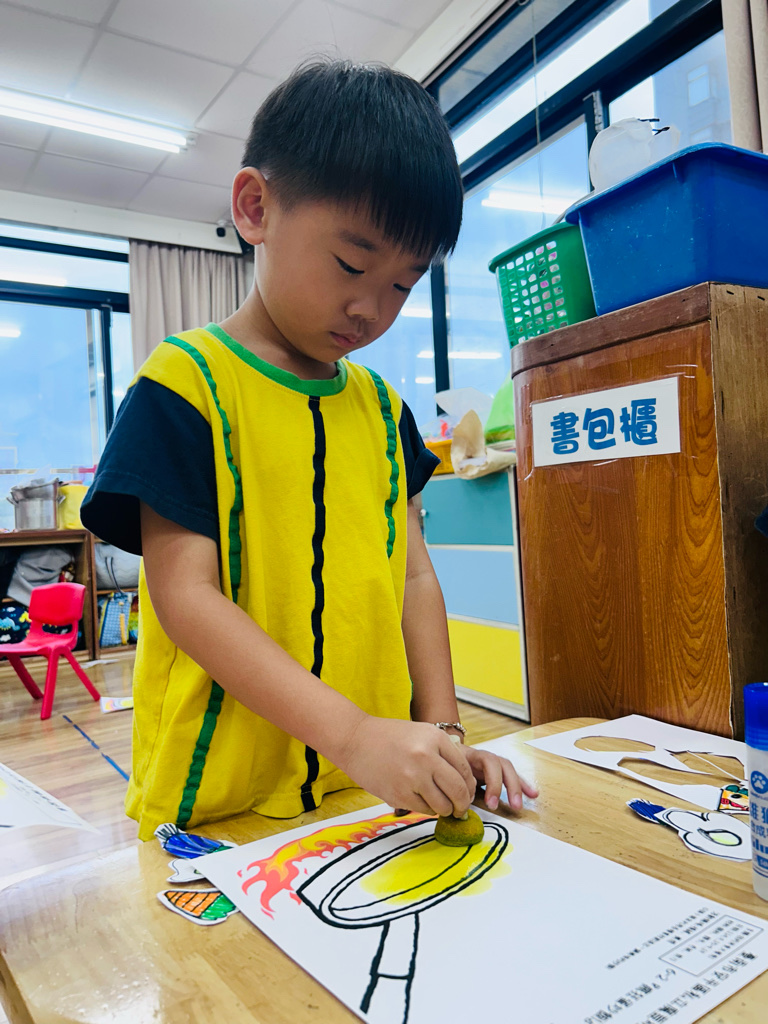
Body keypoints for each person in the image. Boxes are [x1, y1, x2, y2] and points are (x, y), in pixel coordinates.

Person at [81, 60, 538, 841]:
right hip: (220, 799)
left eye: (402, 285)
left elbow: (414, 577)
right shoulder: (185, 386)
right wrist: (353, 734)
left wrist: (442, 735)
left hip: (367, 790)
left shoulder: (384, 413)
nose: (370, 309)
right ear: (255, 208)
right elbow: (186, 597)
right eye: (352, 265)